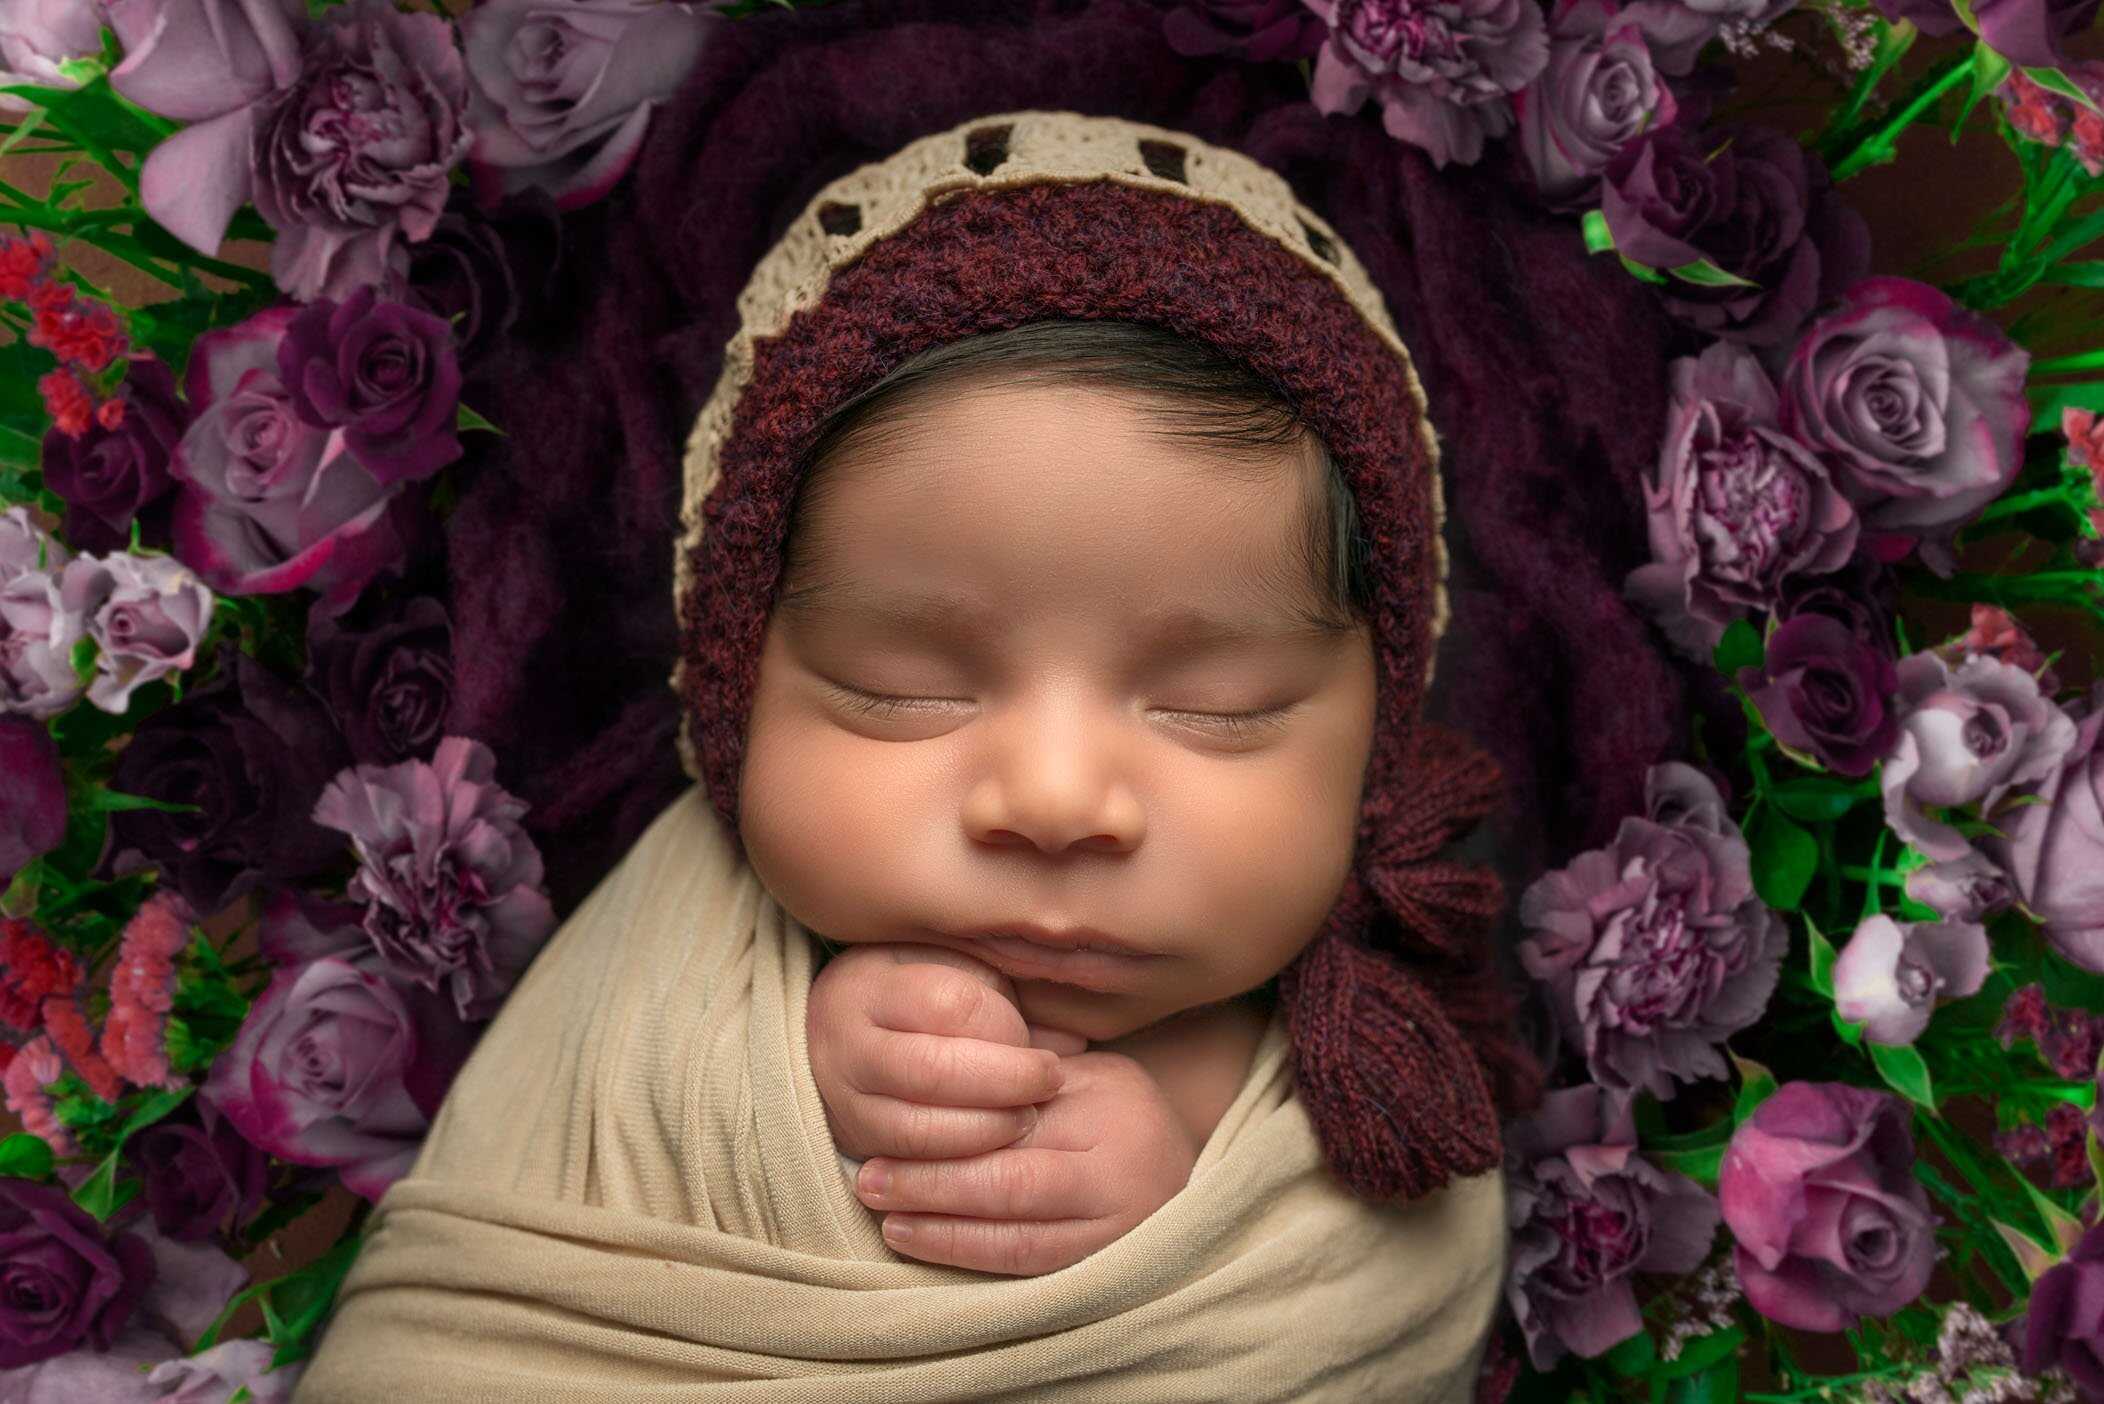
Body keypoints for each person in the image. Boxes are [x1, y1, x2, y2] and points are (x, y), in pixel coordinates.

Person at [295, 108, 1534, 1402]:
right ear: (733, 693)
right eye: (903, 687)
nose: (1055, 802)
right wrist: (775, 1087)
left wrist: (1186, 1176)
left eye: (1216, 705)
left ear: (1376, 740)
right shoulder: (663, 978)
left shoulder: (1393, 1103)